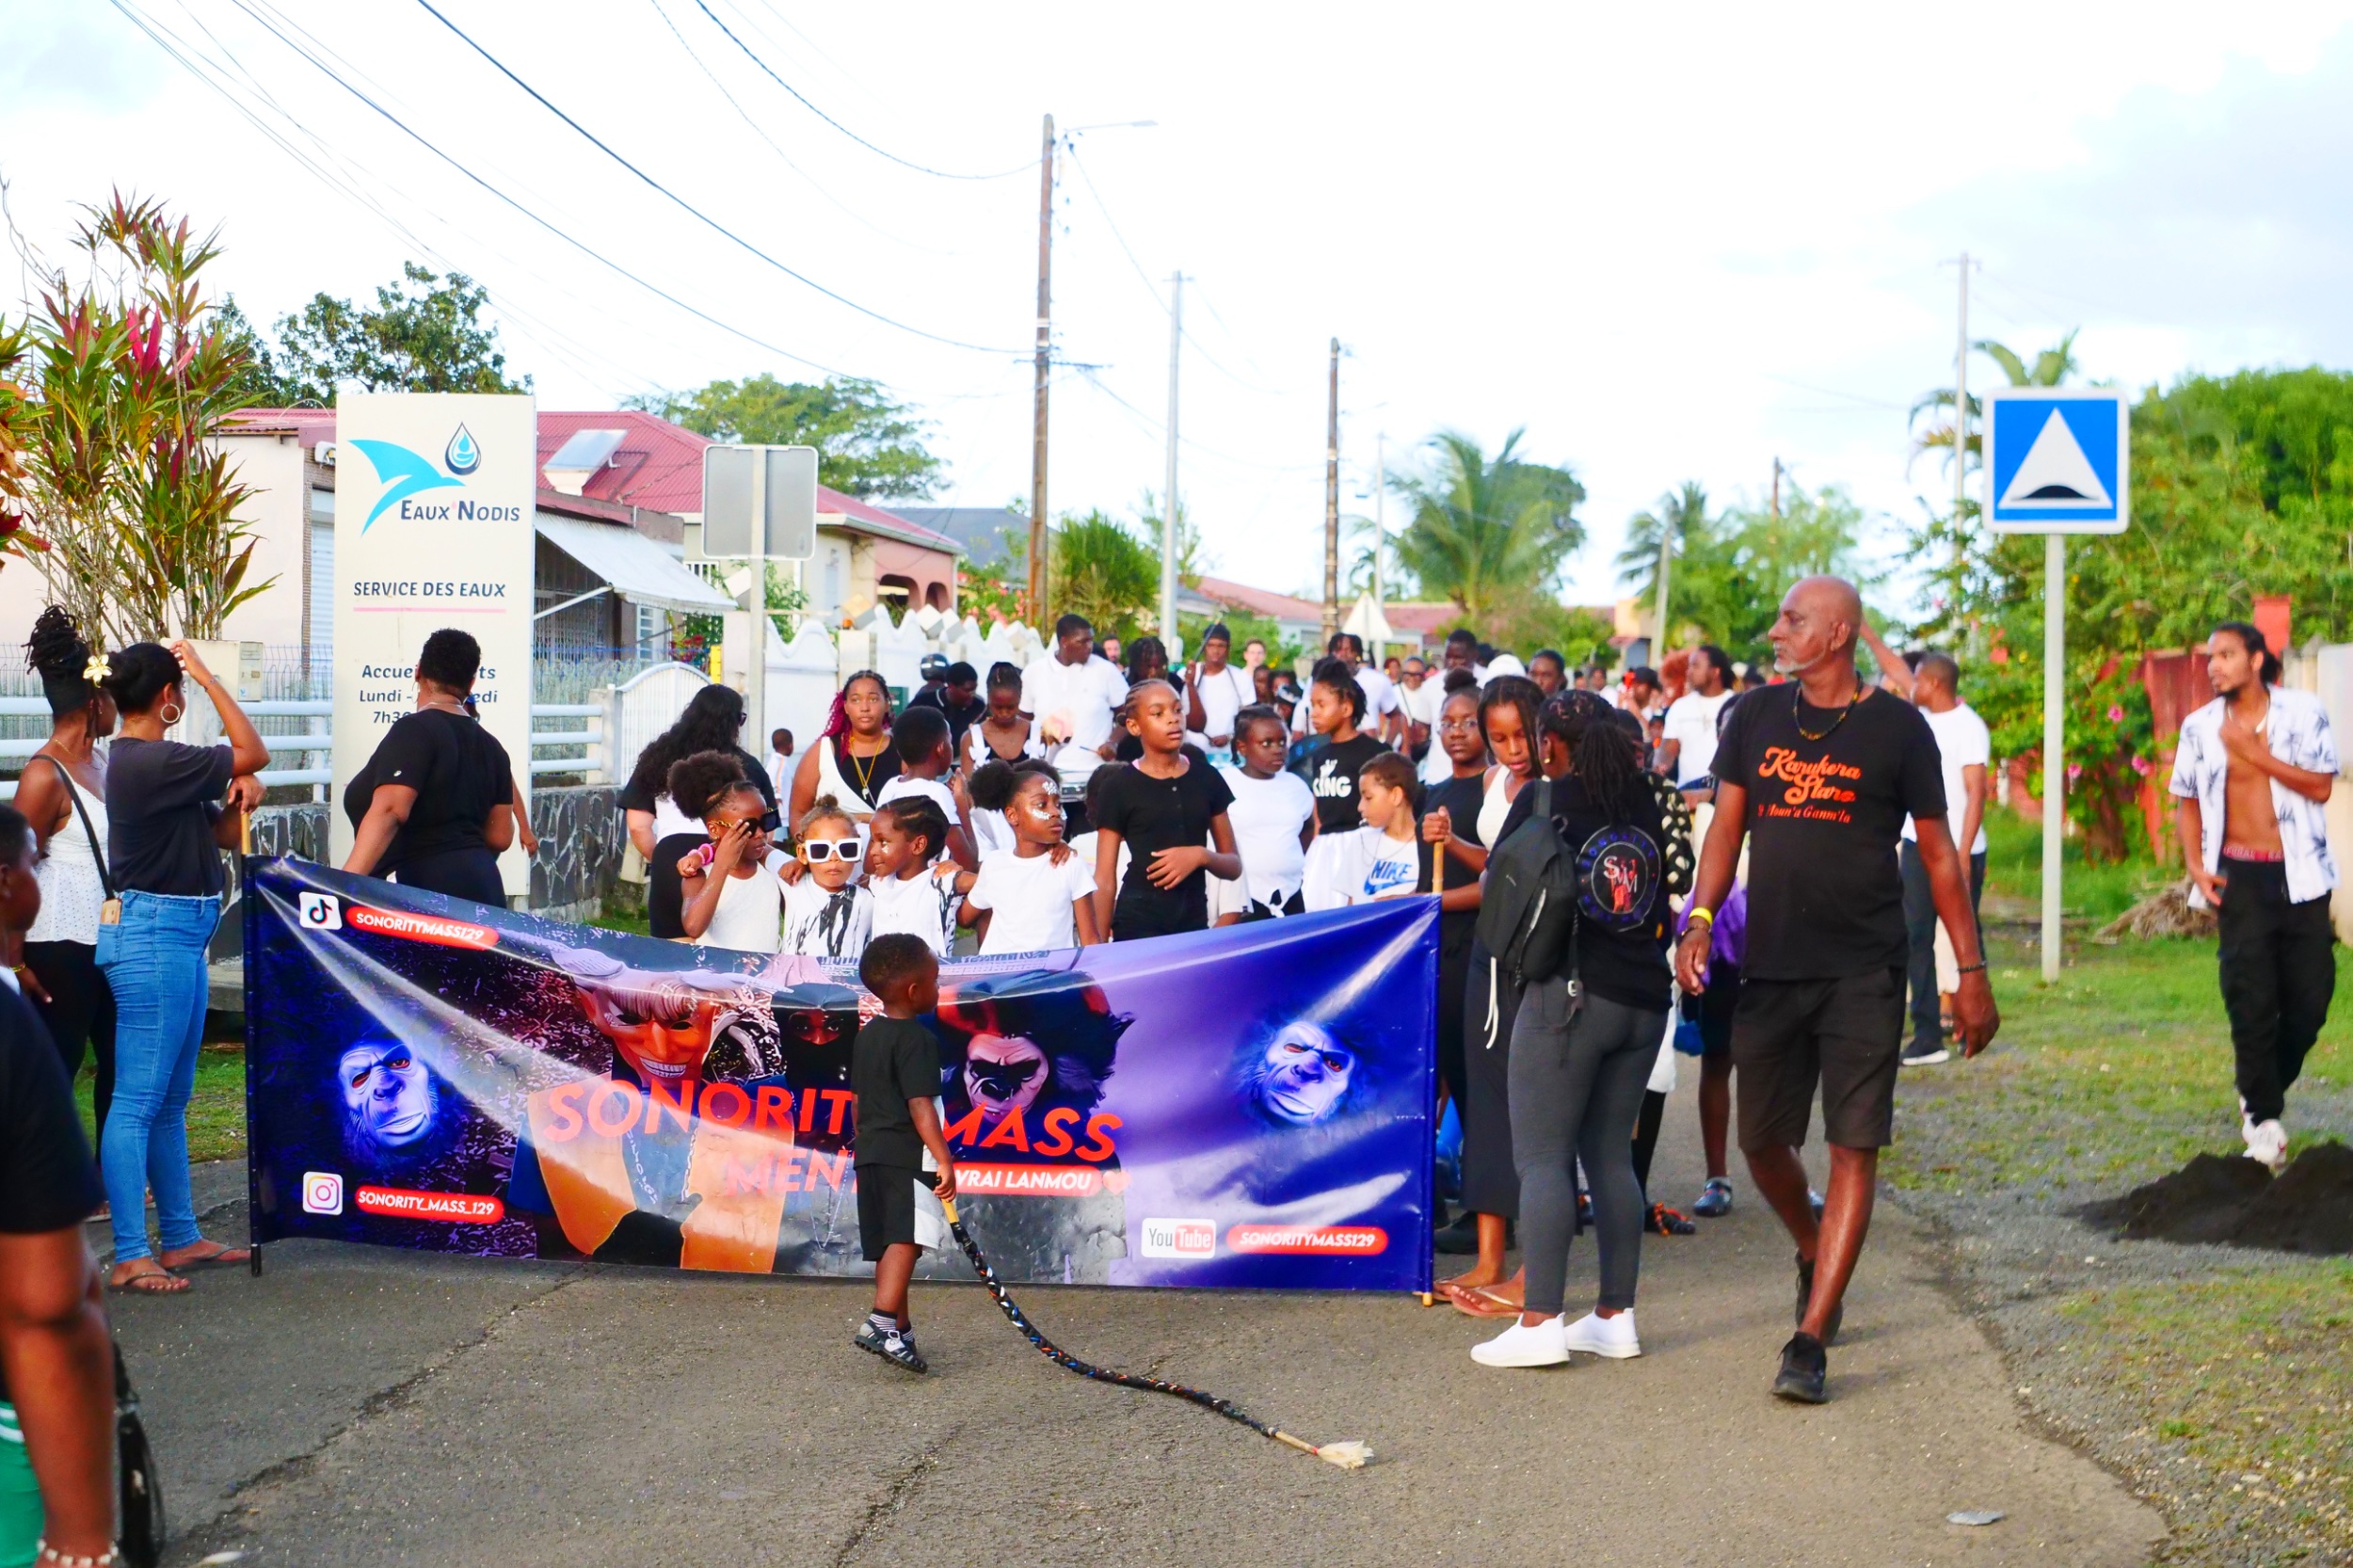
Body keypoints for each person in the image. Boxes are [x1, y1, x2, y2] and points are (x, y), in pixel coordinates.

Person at [1678, 576, 1995, 1403]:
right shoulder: (1755, 716)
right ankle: (1816, 1246)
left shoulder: (1898, 729)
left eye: (1794, 620)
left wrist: (1970, 972)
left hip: (1865, 970)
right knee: (1760, 1143)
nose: (1777, 631)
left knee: (1854, 1143)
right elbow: (1725, 828)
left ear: (1839, 633)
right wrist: (1699, 918)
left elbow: (1939, 855)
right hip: (1773, 964)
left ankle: (1811, 1338)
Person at [1472, 691, 1673, 1366]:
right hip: (1645, 998)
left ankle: (1540, 1323)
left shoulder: (1543, 800)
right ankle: (1615, 1316)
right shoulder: (1645, 797)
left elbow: (1501, 887)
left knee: (1542, 1158)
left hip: (1569, 997)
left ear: (1550, 743)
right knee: (1610, 1156)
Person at [98, 639, 267, 1292]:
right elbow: (253, 749)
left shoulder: (157, 764)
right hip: (154, 936)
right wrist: (210, 676)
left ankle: (180, 1237)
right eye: (183, 688)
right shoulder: (149, 760)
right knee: (138, 1100)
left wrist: (238, 802)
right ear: (169, 696)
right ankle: (131, 1254)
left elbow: (217, 834)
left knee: (169, 1099)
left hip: (179, 935)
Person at [2169, 620, 2339, 1171]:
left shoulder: (2304, 713)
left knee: (2311, 1001)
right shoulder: (2199, 727)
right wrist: (2195, 865)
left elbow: (2320, 786)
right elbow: (2186, 798)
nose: (2213, 666)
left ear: (2257, 659)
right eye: (2210, 657)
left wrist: (2253, 753)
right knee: (2250, 999)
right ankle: (2263, 1117)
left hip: (2303, 875)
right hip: (2239, 878)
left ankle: (2258, 1087)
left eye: (2225, 655)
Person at [0, 804, 115, 1568]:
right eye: (34, 861)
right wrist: (80, 1542)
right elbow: (47, 1303)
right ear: (5, 884)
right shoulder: (11, 1034)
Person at [1439, 673, 1545, 1289]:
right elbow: (1495, 863)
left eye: (1521, 735)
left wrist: (1433, 900)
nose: (1512, 749)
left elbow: (1519, 876)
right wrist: (1452, 840)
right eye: (1499, 738)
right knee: (1483, 1099)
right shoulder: (1491, 781)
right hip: (1487, 950)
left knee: (1534, 1104)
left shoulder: (1555, 787)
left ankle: (1536, 1266)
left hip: (1536, 954)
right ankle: (1489, 1258)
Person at [12, 610, 118, 1162]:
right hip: (57, 944)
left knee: (121, 1067)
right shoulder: (43, 774)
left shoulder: (103, 760)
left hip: (112, 942)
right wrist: (15, 963)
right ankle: (43, 1183)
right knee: (59, 1066)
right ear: (95, 703)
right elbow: (10, 869)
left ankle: (108, 1178)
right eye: (113, 696)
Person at [344, 629, 516, 904]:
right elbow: (500, 836)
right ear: (471, 683)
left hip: (427, 895)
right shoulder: (492, 747)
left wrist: (344, 888)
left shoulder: (414, 730)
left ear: (418, 671)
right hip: (485, 890)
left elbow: (391, 809)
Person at [851, 934, 955, 1373]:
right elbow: (920, 1106)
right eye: (935, 979)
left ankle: (899, 1330)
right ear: (914, 991)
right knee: (907, 1239)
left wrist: (864, 1139)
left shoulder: (868, 1035)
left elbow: (857, 1100)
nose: (938, 986)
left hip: (871, 1152)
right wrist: (943, 1158)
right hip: (907, 1154)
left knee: (890, 1242)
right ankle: (879, 1322)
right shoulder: (918, 1039)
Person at [1090, 680, 1241, 941]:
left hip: (1193, 922)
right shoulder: (1118, 786)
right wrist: (1099, 947)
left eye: (1178, 710)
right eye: (1158, 713)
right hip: (1138, 922)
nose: (1173, 719)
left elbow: (1233, 866)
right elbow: (1104, 879)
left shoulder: (1207, 777)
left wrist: (1201, 855)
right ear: (1134, 726)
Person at [1897, 652, 1990, 1067]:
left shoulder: (1969, 726)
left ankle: (1974, 1020)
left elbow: (1977, 792)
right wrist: (1868, 635)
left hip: (1957, 850)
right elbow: (1895, 671)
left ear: (1934, 684)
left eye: (1917, 679)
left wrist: (1964, 852)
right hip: (1917, 844)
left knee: (1963, 938)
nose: (1911, 686)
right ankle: (1926, 1035)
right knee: (1915, 937)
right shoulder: (1917, 722)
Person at [1420, 686, 1493, 1132]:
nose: (1457, 732)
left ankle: (1484, 1168)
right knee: (1442, 1059)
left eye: (1468, 722)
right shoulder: (1434, 792)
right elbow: (1426, 874)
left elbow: (1500, 875)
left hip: (1476, 944)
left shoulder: (1496, 790)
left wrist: (1427, 903)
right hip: (1438, 943)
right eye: (1448, 723)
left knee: (1472, 1070)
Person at [622, 684, 776, 863]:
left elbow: (638, 826)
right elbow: (769, 828)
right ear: (733, 723)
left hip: (671, 852)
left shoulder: (657, 759)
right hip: (728, 860)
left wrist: (663, 861)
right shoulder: (748, 765)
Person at [962, 768, 1100, 952]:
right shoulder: (994, 864)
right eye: (1042, 805)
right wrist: (951, 879)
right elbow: (964, 918)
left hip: (1052, 970)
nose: (1055, 812)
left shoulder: (1069, 863)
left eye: (1058, 804)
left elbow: (1090, 940)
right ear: (1012, 815)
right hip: (1001, 969)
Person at [673, 753, 783, 952]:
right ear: (714, 830)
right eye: (748, 827)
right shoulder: (699, 875)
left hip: (766, 971)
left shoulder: (769, 867)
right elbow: (693, 927)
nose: (761, 834)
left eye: (767, 822)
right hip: (717, 972)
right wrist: (722, 865)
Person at [1219, 708, 1317, 920]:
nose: (1278, 750)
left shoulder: (1296, 785)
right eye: (1266, 743)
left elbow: (1309, 826)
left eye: (1282, 742)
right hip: (1243, 897)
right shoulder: (1224, 783)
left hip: (1292, 892)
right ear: (1242, 747)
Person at [646, 752, 745, 942]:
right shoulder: (714, 856)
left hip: (667, 858)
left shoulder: (657, 760)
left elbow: (637, 827)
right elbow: (693, 926)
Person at [1022, 616, 1128, 778]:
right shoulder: (1033, 672)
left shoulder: (1106, 671)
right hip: (1048, 775)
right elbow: (1023, 721)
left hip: (1096, 775)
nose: (1089, 646)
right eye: (1082, 642)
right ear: (1064, 641)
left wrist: (1113, 742)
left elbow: (1128, 714)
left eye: (1091, 640)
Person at [865, 796, 970, 956]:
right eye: (872, 841)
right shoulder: (877, 884)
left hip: (932, 972)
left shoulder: (942, 881)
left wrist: (957, 872)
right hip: (883, 973)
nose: (873, 851)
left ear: (918, 845)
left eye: (883, 842)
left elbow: (992, 882)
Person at [792, 670, 901, 825]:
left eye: (873, 699)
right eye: (855, 700)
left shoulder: (903, 751)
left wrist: (862, 817)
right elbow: (798, 812)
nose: (865, 707)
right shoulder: (822, 751)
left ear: (886, 705)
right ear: (846, 707)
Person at [874, 707, 975, 871]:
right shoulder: (937, 793)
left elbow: (875, 852)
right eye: (949, 741)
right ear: (940, 749)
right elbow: (968, 862)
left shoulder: (890, 786)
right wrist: (960, 799)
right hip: (927, 884)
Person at [1296, 658, 1389, 835]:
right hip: (1327, 844)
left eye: (1322, 705)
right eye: (1313, 705)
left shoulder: (1374, 753)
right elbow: (1319, 817)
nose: (1314, 713)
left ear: (1346, 709)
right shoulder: (1319, 755)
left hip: (1362, 841)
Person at [1317, 752, 1424, 905]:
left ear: (1396, 795)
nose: (1360, 807)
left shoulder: (1427, 849)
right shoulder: (1360, 841)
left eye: (1368, 798)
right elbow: (1351, 906)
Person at [781, 796, 874, 958]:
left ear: (858, 850)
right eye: (820, 850)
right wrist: (800, 862)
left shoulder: (869, 899)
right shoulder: (792, 883)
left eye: (846, 849)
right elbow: (759, 848)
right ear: (803, 853)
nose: (834, 858)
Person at [1658, 644, 1735, 787]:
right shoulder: (1680, 706)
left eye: (1695, 666)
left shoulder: (1735, 704)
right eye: (1689, 666)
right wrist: (1660, 765)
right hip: (1687, 792)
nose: (1689, 672)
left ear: (1715, 672)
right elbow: (1667, 749)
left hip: (1722, 793)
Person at [1183, 622, 1255, 765]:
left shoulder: (1241, 678)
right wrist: (1189, 683)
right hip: (1191, 754)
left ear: (1228, 648)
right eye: (1211, 645)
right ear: (1203, 647)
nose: (1215, 651)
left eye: (1221, 646)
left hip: (1230, 756)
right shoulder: (1186, 675)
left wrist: (1230, 737)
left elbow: (1250, 719)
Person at [965, 662, 1041, 771]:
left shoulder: (1037, 734)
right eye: (998, 707)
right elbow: (966, 781)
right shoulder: (971, 738)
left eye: (1011, 707)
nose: (1004, 713)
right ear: (989, 699)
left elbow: (1048, 776)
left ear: (1020, 698)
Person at [910, 661, 984, 754]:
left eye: (974, 689)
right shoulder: (923, 703)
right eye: (967, 690)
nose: (972, 694)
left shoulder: (979, 707)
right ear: (951, 686)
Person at [768, 728, 796, 800]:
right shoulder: (780, 763)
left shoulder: (775, 762)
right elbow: (776, 794)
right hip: (781, 807)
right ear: (790, 745)